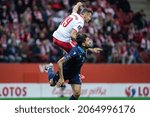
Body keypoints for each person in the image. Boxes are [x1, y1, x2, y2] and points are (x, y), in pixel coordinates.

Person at [45, 34, 101, 100]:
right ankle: (49, 68)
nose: (90, 42)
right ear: (83, 44)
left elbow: (84, 47)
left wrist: (92, 49)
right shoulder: (75, 51)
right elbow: (60, 62)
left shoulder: (83, 48)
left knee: (77, 93)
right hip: (65, 72)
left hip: (75, 73)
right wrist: (62, 78)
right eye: (88, 41)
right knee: (52, 83)